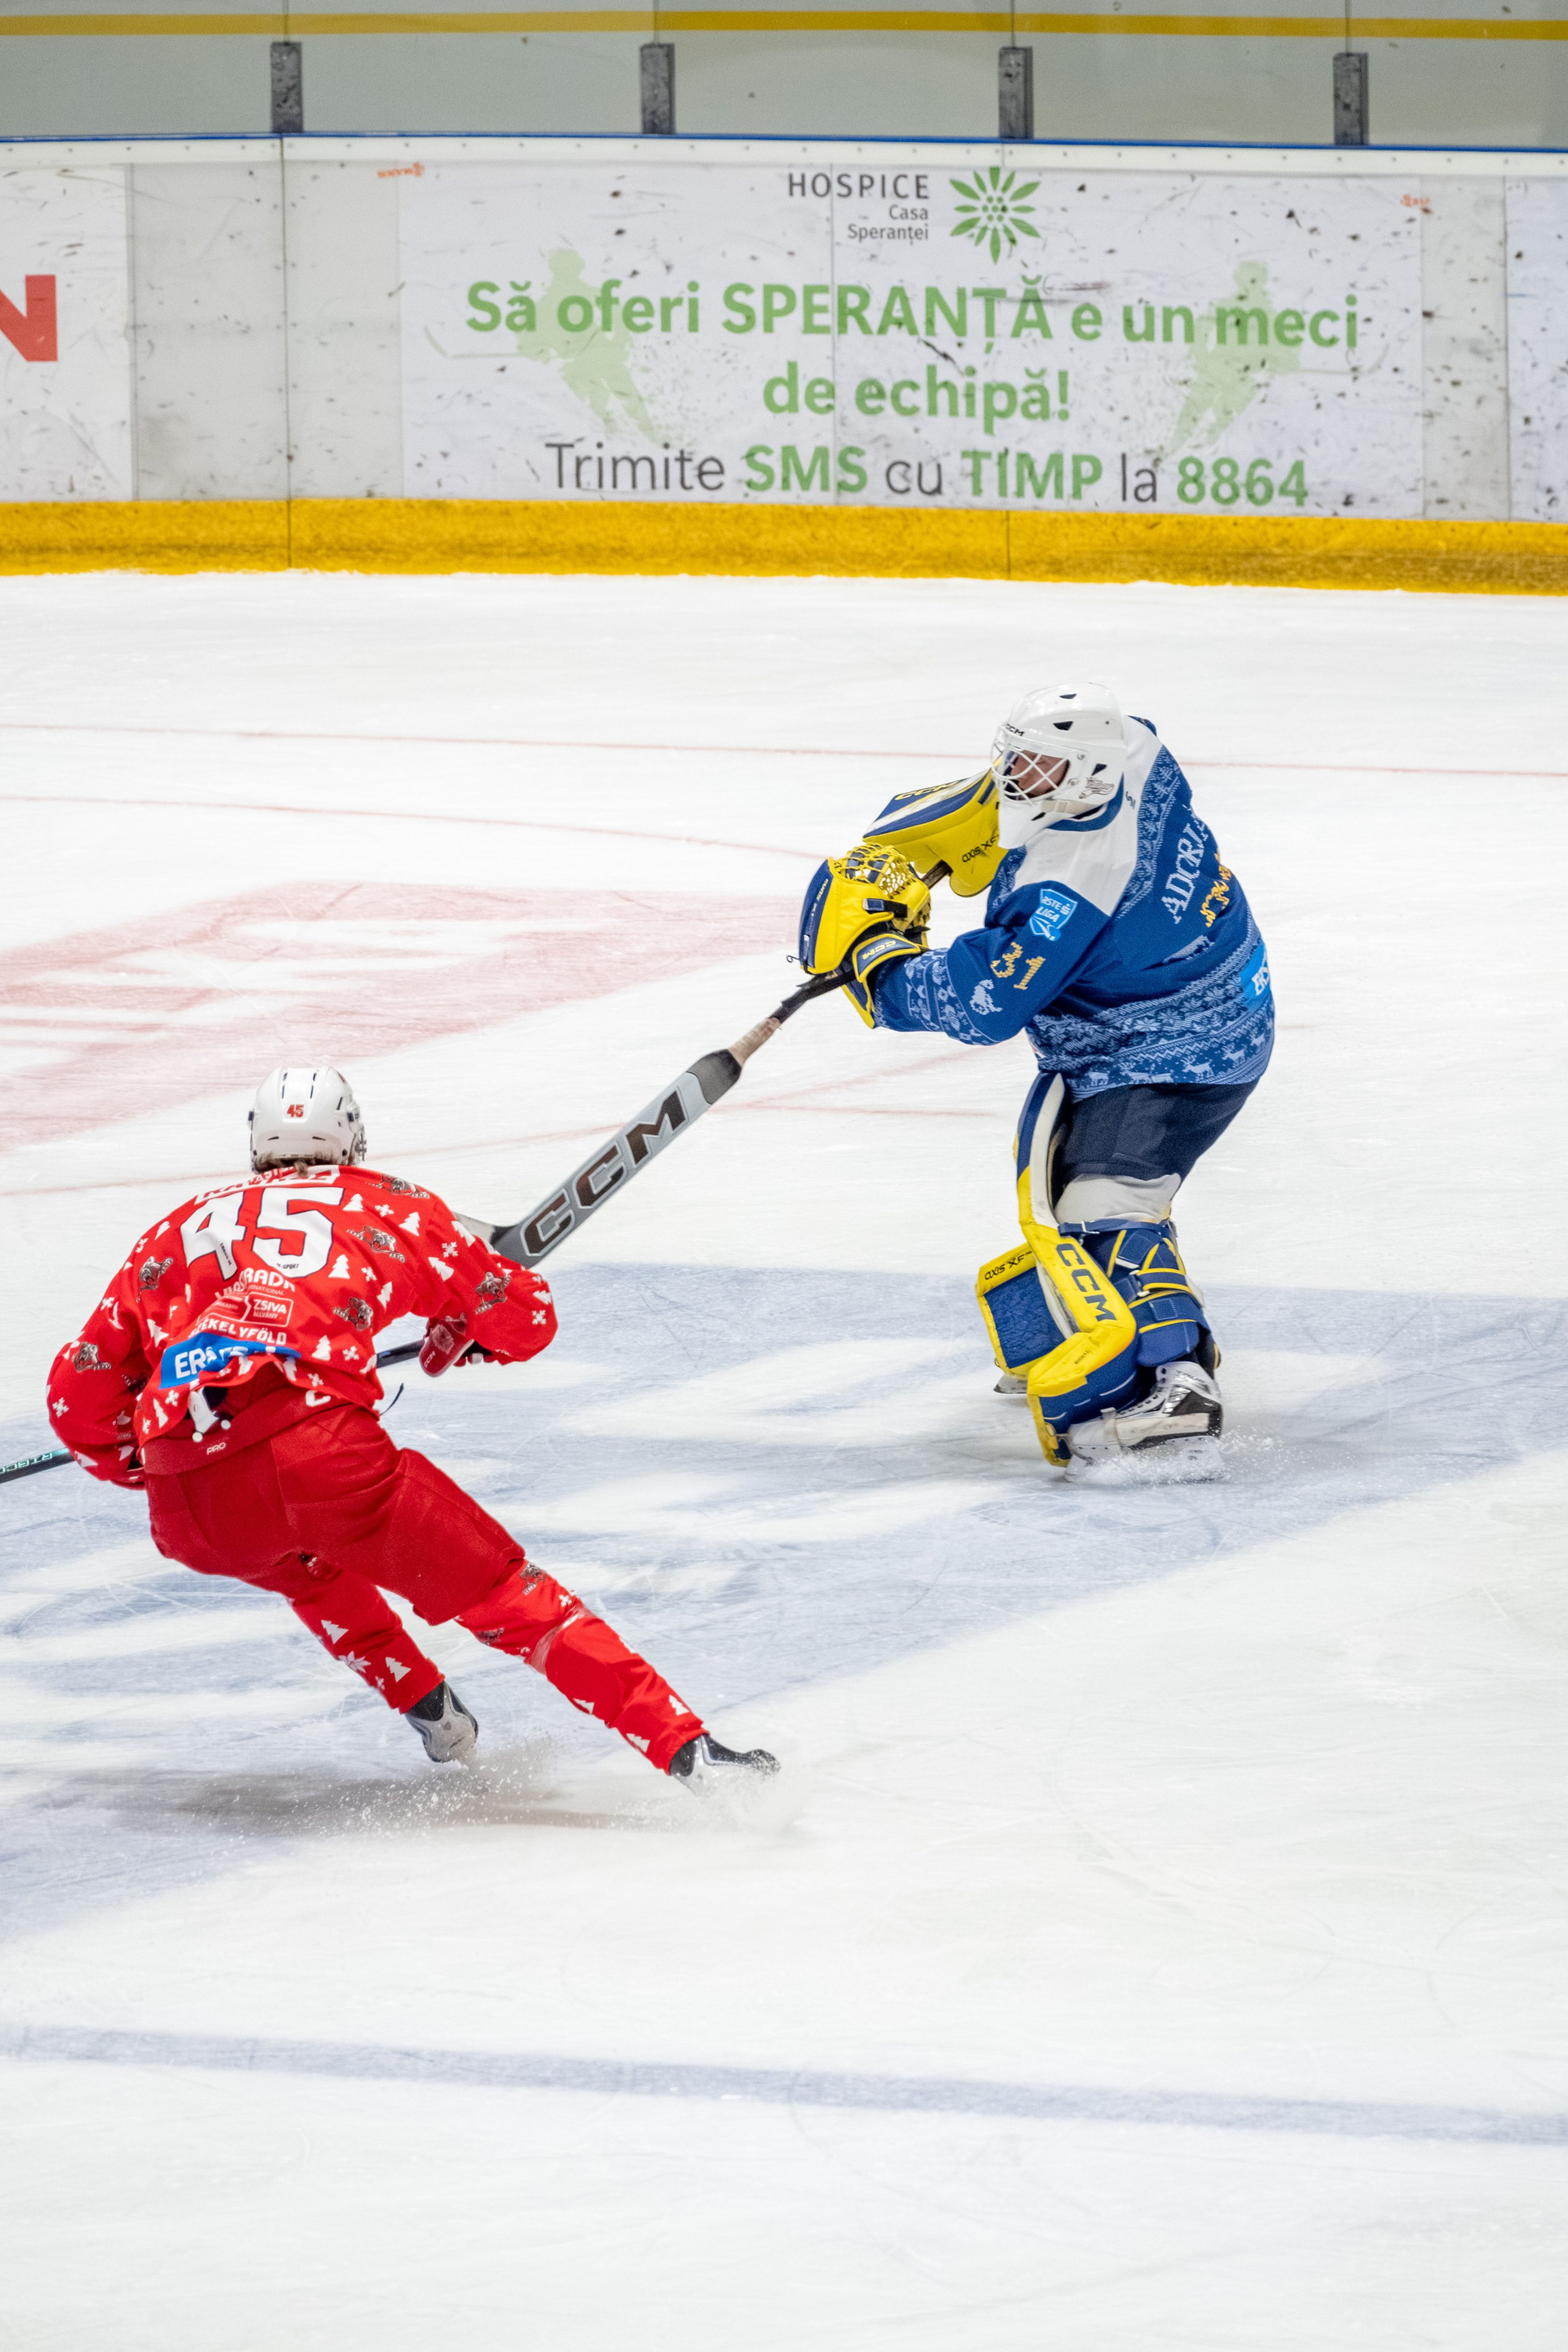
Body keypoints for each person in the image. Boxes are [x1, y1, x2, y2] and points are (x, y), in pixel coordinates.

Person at [46, 1065, 777, 1784]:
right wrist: (471, 1333)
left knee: (308, 1571)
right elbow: (526, 1317)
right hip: (322, 1458)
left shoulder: (173, 1231)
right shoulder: (387, 1203)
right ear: (351, 1136)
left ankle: (427, 1705)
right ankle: (689, 1751)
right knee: (508, 1595)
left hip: (191, 1503)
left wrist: (148, 1464)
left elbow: (75, 1398)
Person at [797, 683, 1273, 1468]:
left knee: (1103, 1205)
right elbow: (1014, 794)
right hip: (1209, 990)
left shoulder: (1072, 888)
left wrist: (877, 963)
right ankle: (1109, 1319)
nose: (1017, 777)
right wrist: (941, 828)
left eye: (1040, 768)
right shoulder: (1137, 748)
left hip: (1174, 1054)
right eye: (1016, 758)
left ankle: (1179, 1378)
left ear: (1087, 774)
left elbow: (984, 1001)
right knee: (1060, 1177)